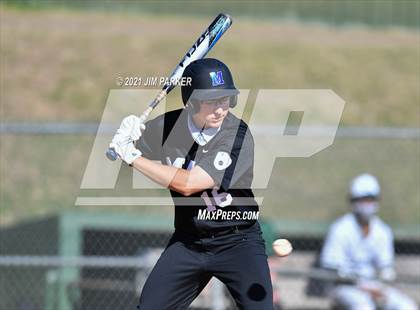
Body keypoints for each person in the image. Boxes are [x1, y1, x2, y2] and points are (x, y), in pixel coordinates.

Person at [109, 58, 273, 309]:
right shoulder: (165, 127)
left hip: (238, 241)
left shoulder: (237, 134)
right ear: (192, 102)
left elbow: (188, 184)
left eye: (225, 99)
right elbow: (123, 157)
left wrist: (133, 157)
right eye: (211, 101)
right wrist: (126, 138)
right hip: (189, 243)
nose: (220, 109)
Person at [320, 173, 417, 310]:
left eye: (371, 199)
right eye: (363, 200)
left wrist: (381, 285)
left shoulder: (382, 230)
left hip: (375, 285)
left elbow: (385, 268)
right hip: (345, 287)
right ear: (353, 201)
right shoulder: (340, 228)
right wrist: (363, 286)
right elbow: (333, 268)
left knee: (407, 306)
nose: (367, 204)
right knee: (364, 307)